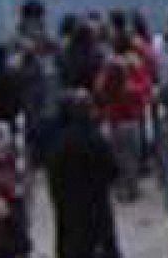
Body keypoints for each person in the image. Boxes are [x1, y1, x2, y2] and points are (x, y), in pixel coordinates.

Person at [45, 92, 120, 258]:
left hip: (69, 210)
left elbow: (53, 178)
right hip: (96, 207)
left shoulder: (57, 143)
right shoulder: (95, 138)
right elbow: (113, 170)